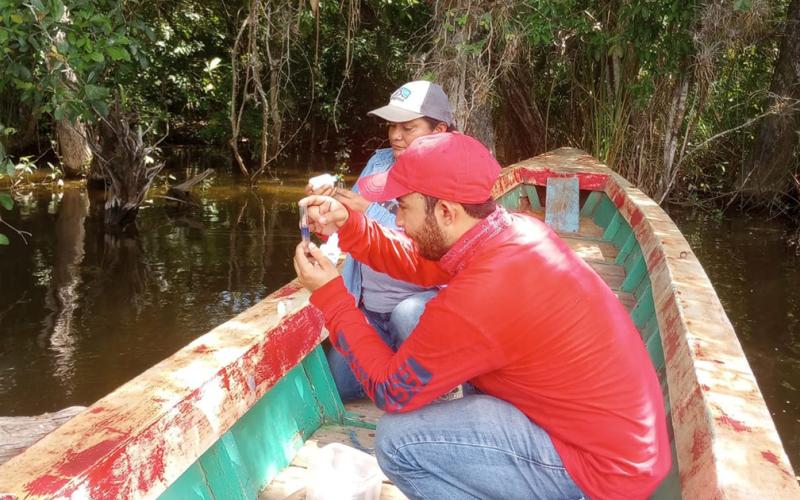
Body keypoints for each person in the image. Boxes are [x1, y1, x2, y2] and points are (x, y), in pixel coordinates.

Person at [293, 132, 671, 499]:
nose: (399, 221)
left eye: (403, 207)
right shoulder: (511, 230)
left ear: (446, 212)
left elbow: (391, 390)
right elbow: (422, 261)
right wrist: (352, 226)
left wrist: (332, 297)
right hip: (617, 448)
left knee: (397, 441)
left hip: (602, 475)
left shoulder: (481, 295)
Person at [307, 80, 456, 401]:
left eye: (408, 128)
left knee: (407, 314)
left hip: (424, 310)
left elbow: (435, 246)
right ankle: (397, 362)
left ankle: (437, 380)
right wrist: (324, 212)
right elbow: (348, 223)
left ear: (440, 130)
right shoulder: (380, 163)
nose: (395, 136)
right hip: (372, 309)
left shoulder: (454, 175)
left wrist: (365, 214)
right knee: (339, 386)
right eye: (391, 126)